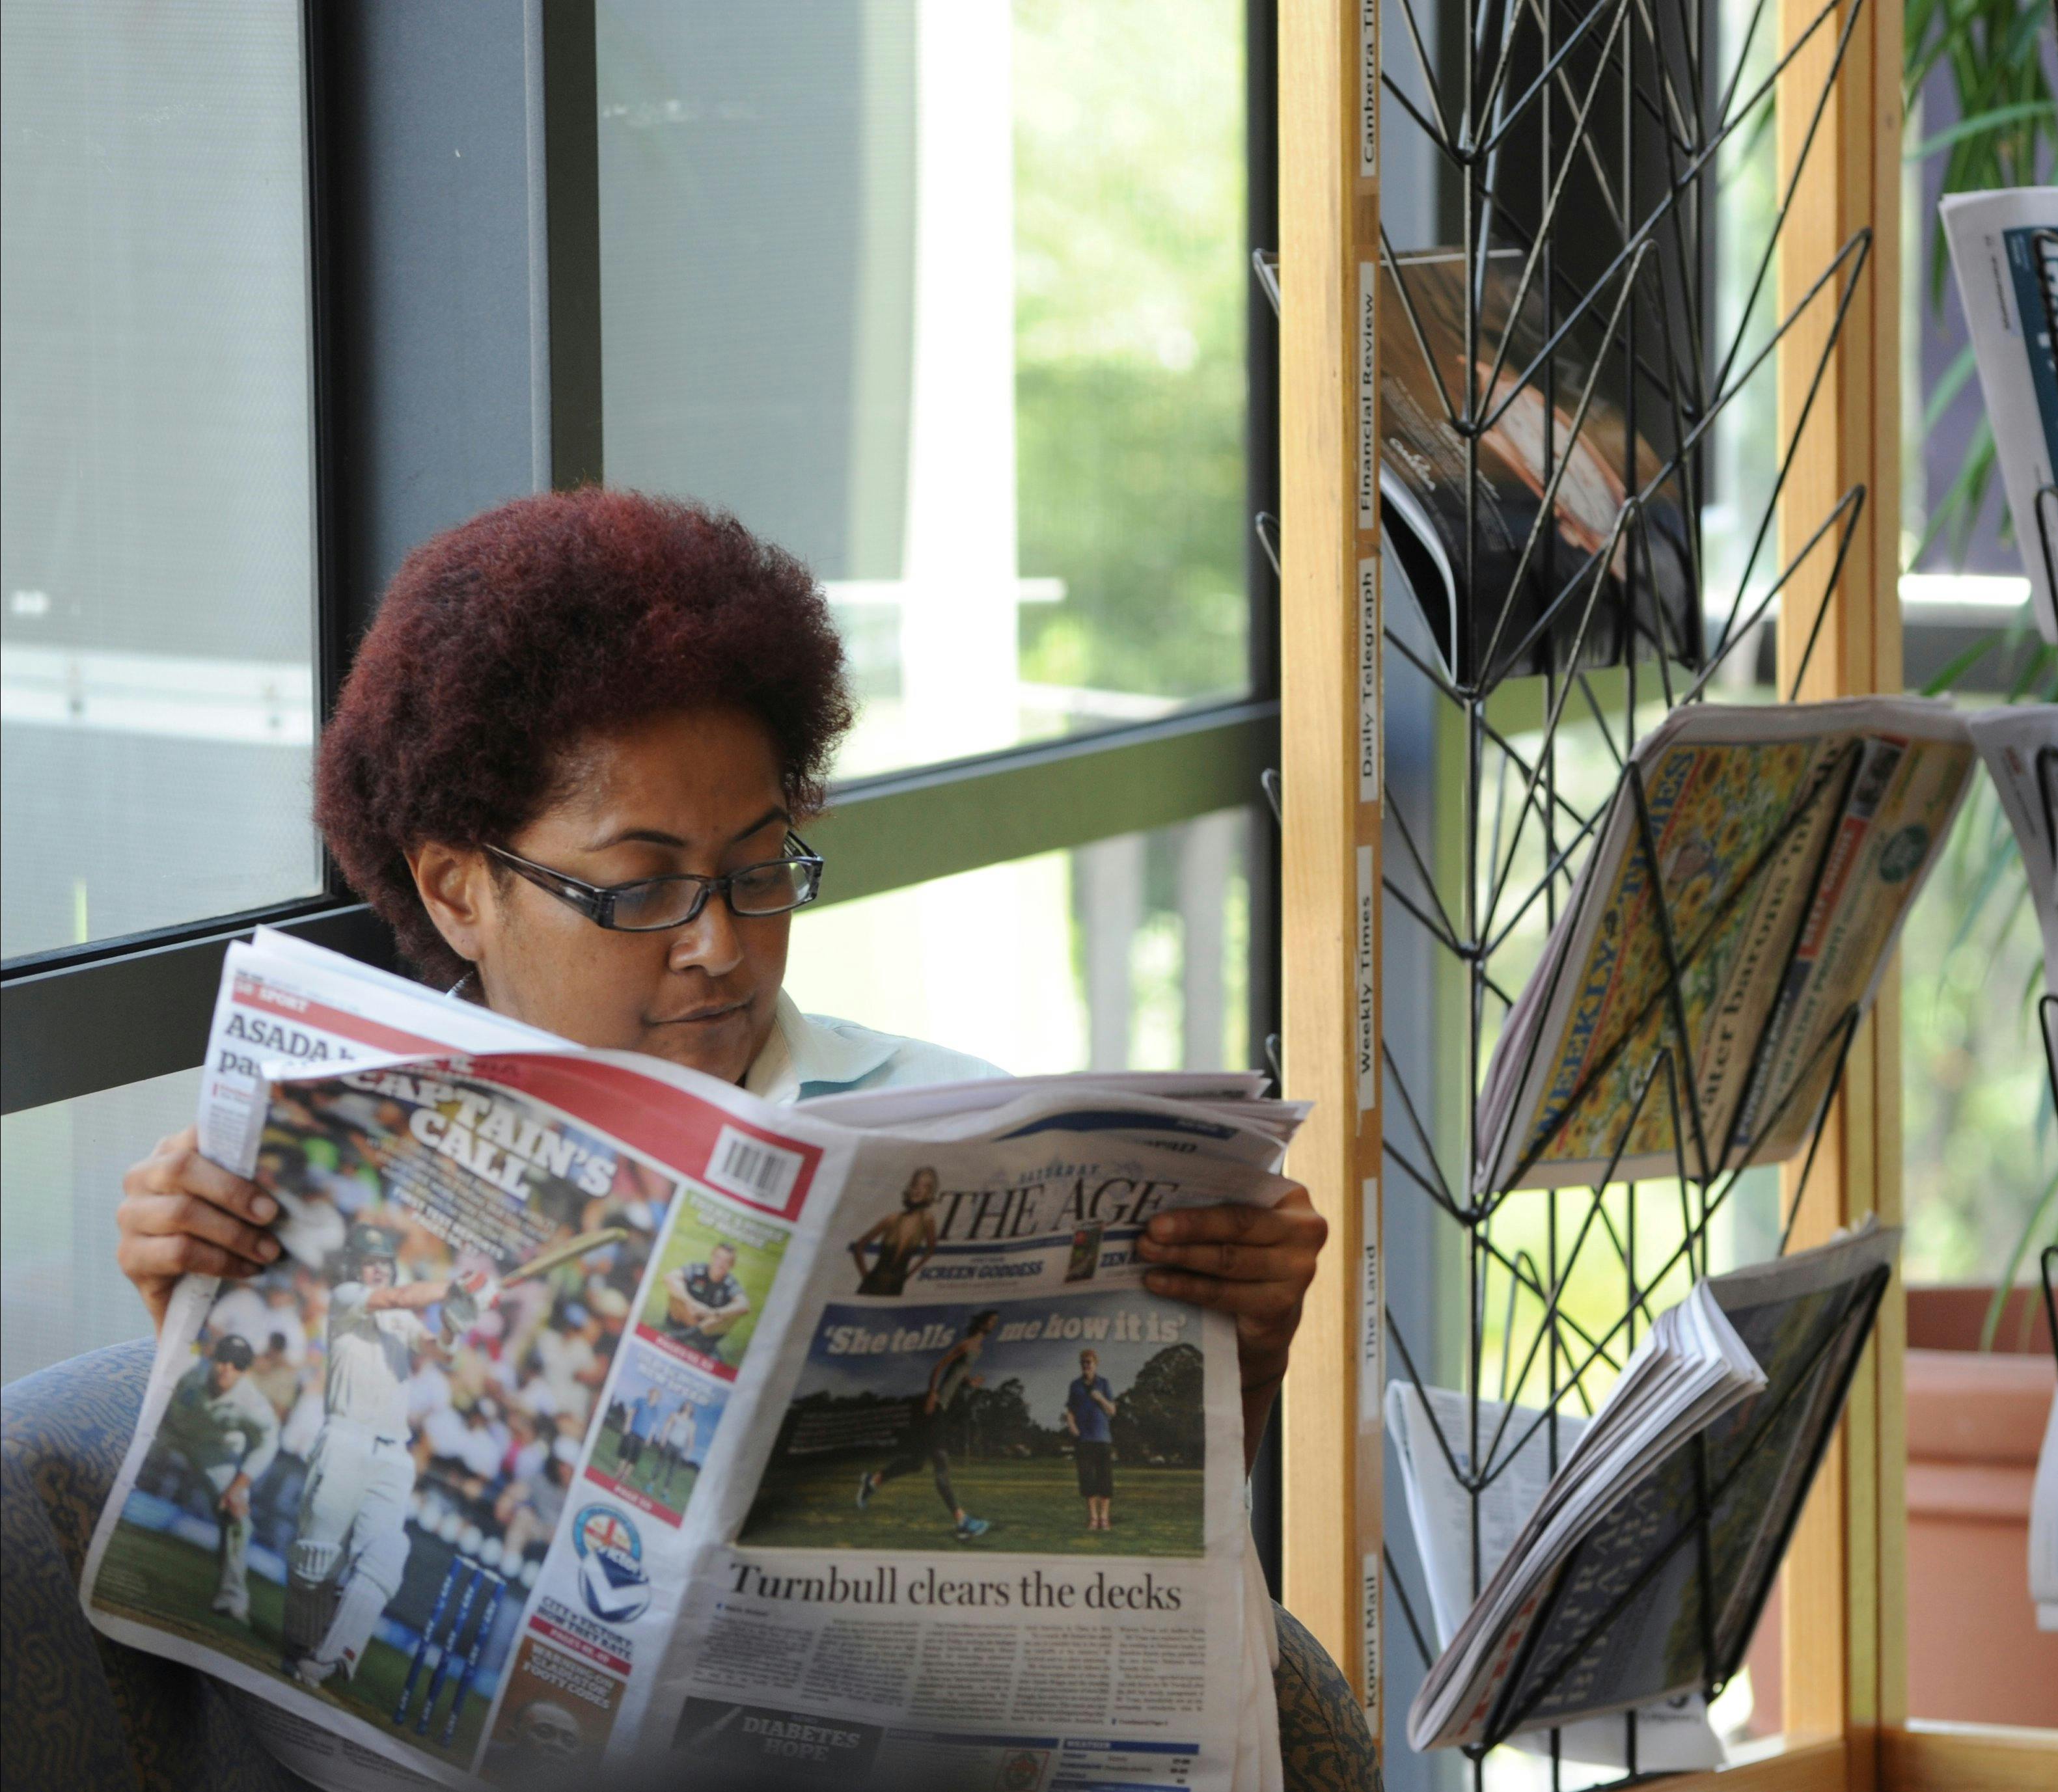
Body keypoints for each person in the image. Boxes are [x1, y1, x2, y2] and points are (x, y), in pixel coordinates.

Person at [112, 488, 1326, 1478]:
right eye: (641, 890)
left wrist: (1252, 1348)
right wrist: (192, 1317)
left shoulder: (971, 1128)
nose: (718, 946)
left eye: (757, 871)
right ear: (456, 891)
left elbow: (1127, 1592)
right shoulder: (322, 1169)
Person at [285, 1225, 496, 1690]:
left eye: (384, 1262)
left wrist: (453, 1324)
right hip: (345, 1438)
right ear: (353, 1267)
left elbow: (439, 1352)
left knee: (387, 1551)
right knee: (318, 1558)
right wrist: (454, 1287)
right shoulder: (346, 1298)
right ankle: (300, 1646)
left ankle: (334, 1657)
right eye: (369, 1262)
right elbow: (395, 1297)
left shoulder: (402, 1319)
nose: (378, 1269)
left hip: (394, 1452)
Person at [156, 1333, 284, 1620]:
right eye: (224, 1360)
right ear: (213, 1358)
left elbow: (269, 1443)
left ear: (245, 1371)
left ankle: (233, 1598)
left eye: (238, 1365)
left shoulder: (252, 1403)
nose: (228, 1369)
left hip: (212, 1448)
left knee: (238, 1518)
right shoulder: (189, 1370)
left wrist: (238, 1487)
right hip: (167, 1429)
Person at [857, 1308, 1002, 1540]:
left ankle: (872, 1481)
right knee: (941, 1461)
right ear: (982, 1322)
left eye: (996, 1322)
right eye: (992, 1321)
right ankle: (962, 1522)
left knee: (916, 1463)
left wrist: (969, 1382)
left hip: (943, 1411)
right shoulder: (966, 1345)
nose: (994, 1325)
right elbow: (940, 1366)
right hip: (937, 1409)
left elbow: (958, 1372)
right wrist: (932, 1394)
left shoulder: (978, 1350)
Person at [849, 1168, 942, 1297]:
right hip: (870, 1286)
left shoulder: (927, 1220)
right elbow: (859, 1246)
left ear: (930, 1193)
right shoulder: (892, 1219)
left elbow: (931, 1250)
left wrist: (908, 1275)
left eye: (926, 1186)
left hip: (895, 1288)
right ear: (910, 1188)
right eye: (915, 1184)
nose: (918, 1190)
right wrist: (866, 1277)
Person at [662, 1242, 752, 1360]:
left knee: (733, 1314)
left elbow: (744, 1305)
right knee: (676, 1294)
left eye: (726, 1261)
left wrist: (712, 1312)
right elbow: (670, 1277)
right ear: (712, 1257)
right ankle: (701, 1342)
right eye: (718, 1258)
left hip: (708, 1324)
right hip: (686, 1316)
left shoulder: (729, 1283)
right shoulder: (698, 1270)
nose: (721, 1264)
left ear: (732, 1265)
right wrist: (691, 1303)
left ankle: (685, 1336)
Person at [1063, 1348, 1119, 1532]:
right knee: (1087, 1481)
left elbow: (1112, 1411)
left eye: (1089, 1362)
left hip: (1102, 1439)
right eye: (1083, 1363)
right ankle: (1094, 1519)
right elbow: (1070, 1410)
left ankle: (1104, 1518)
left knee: (1105, 1481)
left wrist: (1101, 1398)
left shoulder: (1104, 1383)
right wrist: (1072, 1426)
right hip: (1084, 1440)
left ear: (1096, 1364)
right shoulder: (1075, 1385)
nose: (1086, 1366)